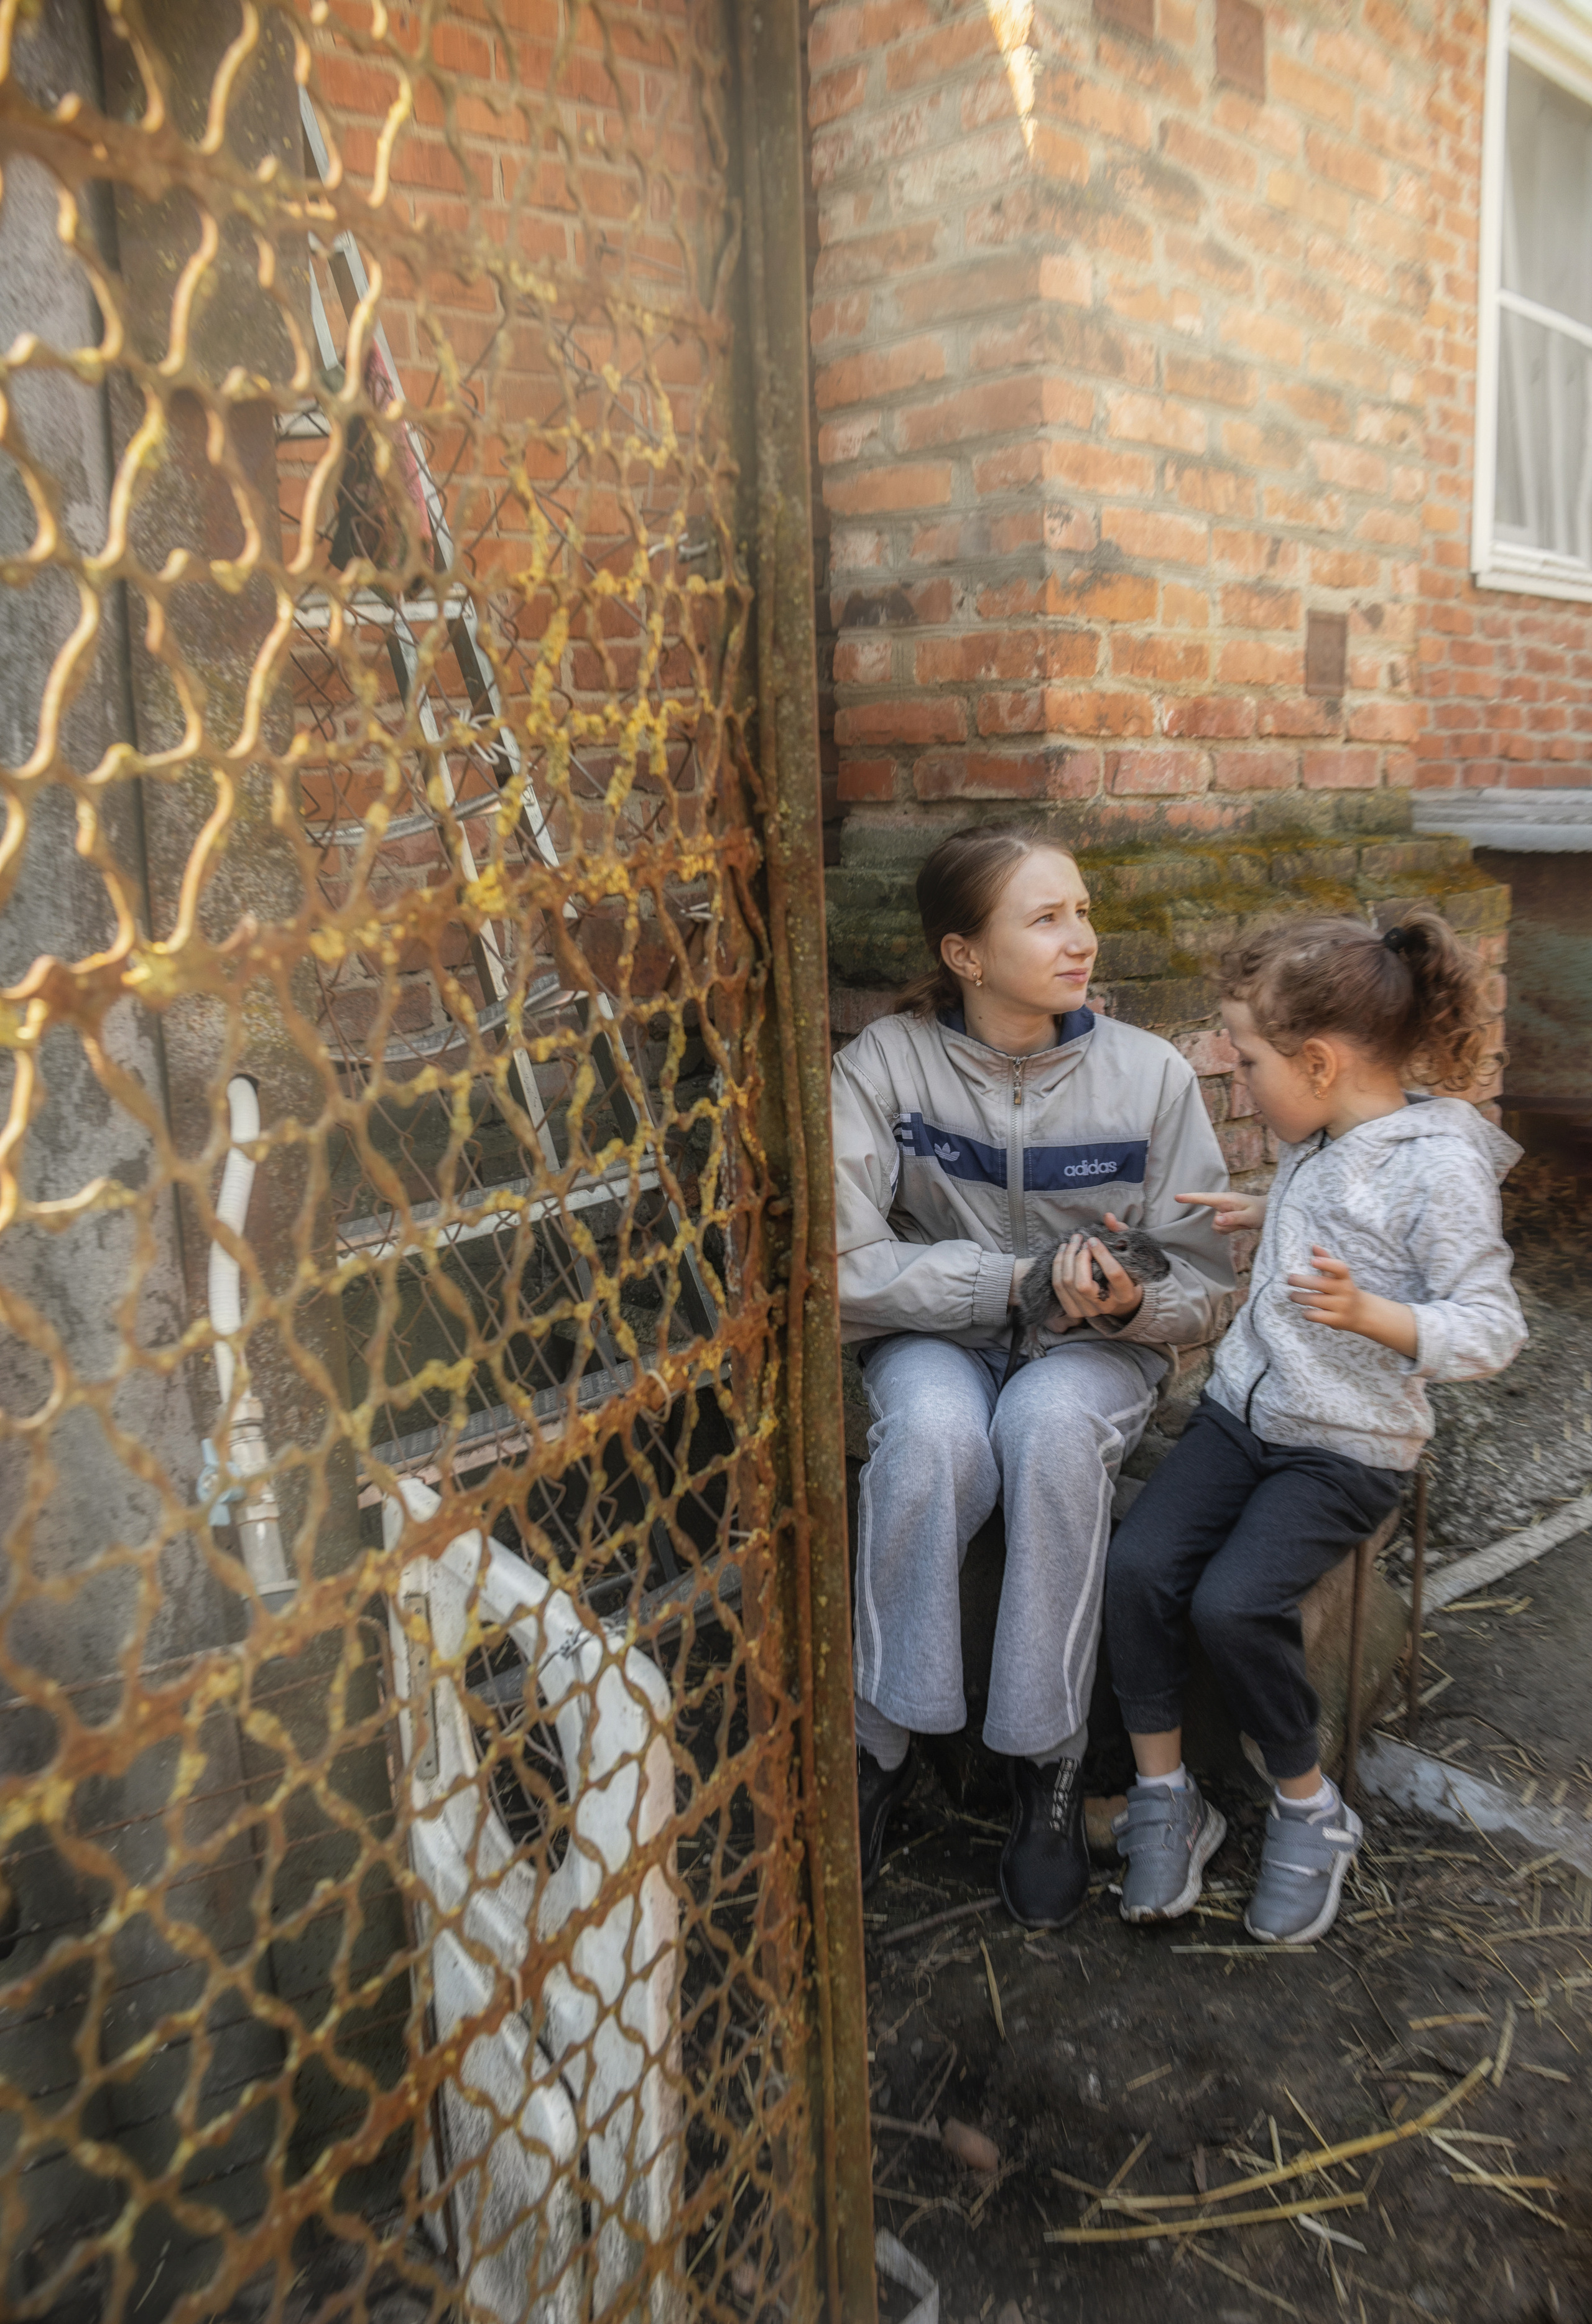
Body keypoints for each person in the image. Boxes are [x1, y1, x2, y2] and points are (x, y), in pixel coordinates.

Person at [831, 823, 1233, 1930]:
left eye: (1083, 912)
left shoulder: (1150, 1076)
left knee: (1049, 1435)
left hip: (1094, 1354)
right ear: (964, 954)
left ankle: (1045, 1763)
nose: (1081, 940)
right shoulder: (887, 1065)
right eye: (1047, 919)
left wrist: (1134, 1303)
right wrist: (1012, 1282)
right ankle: (879, 1747)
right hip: (938, 1333)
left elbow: (1207, 1283)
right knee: (931, 1441)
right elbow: (841, 1265)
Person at [1106, 910, 1526, 1946]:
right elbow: (1335, 1204)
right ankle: (1166, 1798)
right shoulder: (1324, 1133)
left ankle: (1309, 1808)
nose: (1241, 1082)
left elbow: (1492, 1327)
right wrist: (1267, 1213)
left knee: (1234, 1603)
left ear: (1321, 1063)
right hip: (1244, 1414)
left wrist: (1376, 1316)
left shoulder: (1438, 1165)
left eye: (1248, 1062)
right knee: (1139, 1568)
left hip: (1346, 1446)